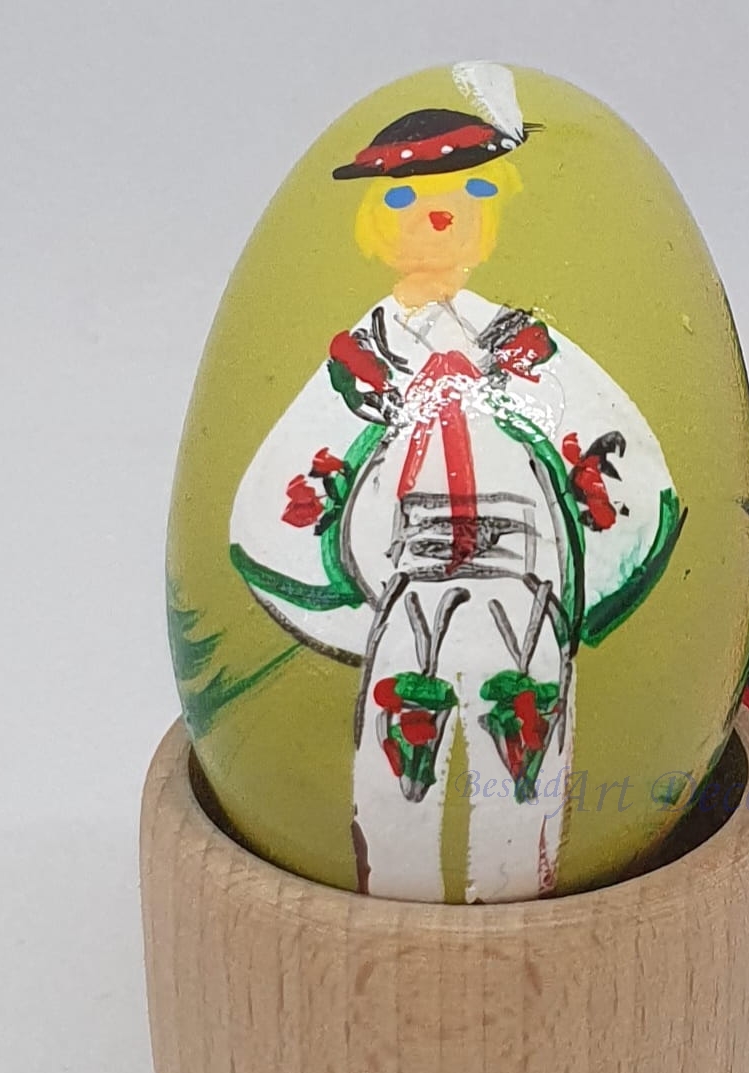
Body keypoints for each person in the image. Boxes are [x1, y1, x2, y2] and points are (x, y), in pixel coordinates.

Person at [229, 64, 683, 901]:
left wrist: (579, 575)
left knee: (524, 770)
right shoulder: (362, 362)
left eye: (465, 195)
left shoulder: (524, 348)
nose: (436, 215)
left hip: (525, 583)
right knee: (395, 772)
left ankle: (524, 905)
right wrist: (366, 580)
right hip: (409, 587)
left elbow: (609, 454)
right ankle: (390, 906)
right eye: (404, 200)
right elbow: (292, 481)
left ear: (488, 217)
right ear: (374, 227)